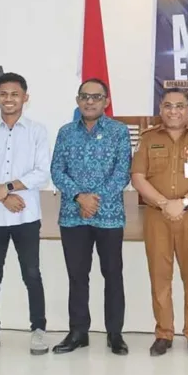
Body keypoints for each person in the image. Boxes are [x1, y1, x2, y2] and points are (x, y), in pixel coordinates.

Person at [0, 73, 51, 357]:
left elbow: (41, 173)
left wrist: (9, 187)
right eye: (3, 94)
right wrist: (2, 196)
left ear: (25, 97)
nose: (9, 99)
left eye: (15, 94)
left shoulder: (37, 131)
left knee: (32, 274)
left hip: (26, 215)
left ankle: (38, 330)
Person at [130, 88, 188, 357]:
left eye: (180, 106)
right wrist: (164, 203)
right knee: (160, 277)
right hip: (157, 217)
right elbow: (138, 177)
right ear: (161, 109)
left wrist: (183, 202)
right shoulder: (148, 139)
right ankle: (163, 333)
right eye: (168, 106)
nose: (174, 111)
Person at [50, 78, 131, 355]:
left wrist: (94, 201)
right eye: (85, 96)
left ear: (106, 102)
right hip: (73, 217)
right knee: (77, 276)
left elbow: (122, 172)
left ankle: (115, 334)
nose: (90, 101)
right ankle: (78, 332)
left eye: (96, 97)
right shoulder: (65, 132)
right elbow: (57, 170)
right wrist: (79, 198)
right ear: (77, 100)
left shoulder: (119, 132)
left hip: (109, 216)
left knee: (113, 274)